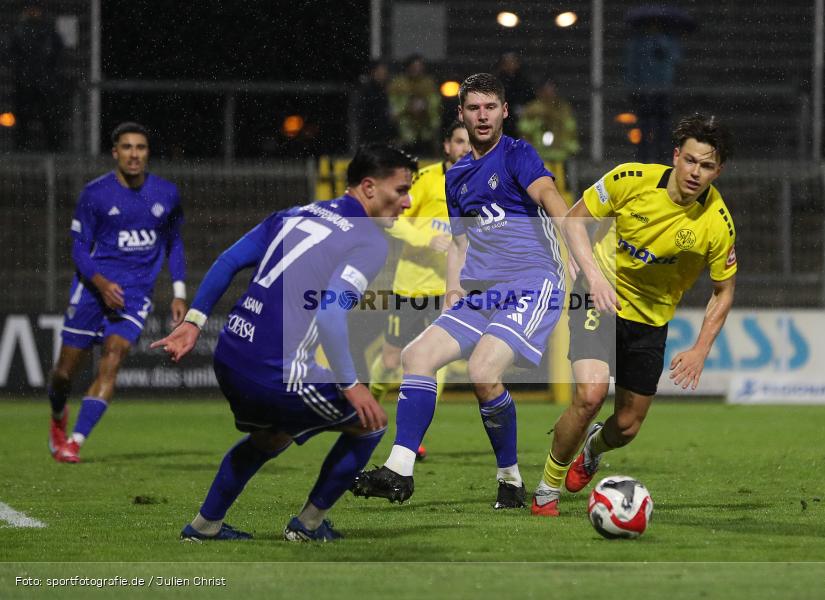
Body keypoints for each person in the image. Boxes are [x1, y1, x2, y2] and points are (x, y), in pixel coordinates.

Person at [151, 144, 416, 542]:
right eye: (400, 190)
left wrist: (194, 321)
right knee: (370, 423)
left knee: (270, 436)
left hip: (230, 355)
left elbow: (226, 261)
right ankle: (308, 526)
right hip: (275, 370)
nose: (408, 202)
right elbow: (329, 315)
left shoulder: (293, 214)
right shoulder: (369, 240)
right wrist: (351, 384)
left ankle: (204, 527)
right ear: (368, 187)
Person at [353, 73, 571, 509]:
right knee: (417, 356)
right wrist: (453, 291)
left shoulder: (517, 154)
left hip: (532, 282)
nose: (483, 115)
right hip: (480, 292)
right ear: (461, 114)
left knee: (483, 371)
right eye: (474, 108)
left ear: (505, 111)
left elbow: (551, 199)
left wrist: (586, 264)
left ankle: (509, 477)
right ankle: (399, 470)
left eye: (491, 106)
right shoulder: (458, 178)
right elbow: (461, 241)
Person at [531, 113, 738, 516]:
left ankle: (593, 447)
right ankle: (546, 490)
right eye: (691, 160)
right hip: (598, 295)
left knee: (625, 426)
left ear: (719, 171)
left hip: (651, 320)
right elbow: (575, 219)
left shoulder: (718, 224)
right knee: (590, 394)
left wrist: (700, 349)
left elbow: (723, 292)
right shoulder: (631, 179)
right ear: (676, 156)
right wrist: (592, 276)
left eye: (707, 166)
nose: (696, 172)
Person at [49, 122, 186, 463]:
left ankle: (75, 442)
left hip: (135, 294)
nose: (134, 154)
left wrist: (179, 292)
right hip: (92, 289)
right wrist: (101, 283)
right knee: (63, 375)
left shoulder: (166, 194)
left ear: (147, 152)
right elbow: (79, 249)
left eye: (140, 147)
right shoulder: (95, 194)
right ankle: (58, 416)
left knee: (114, 356)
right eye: (127, 147)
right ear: (115, 153)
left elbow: (175, 243)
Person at [368, 122, 471, 461]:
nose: (464, 148)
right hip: (411, 286)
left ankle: (413, 437)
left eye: (469, 143)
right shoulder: (425, 180)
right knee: (390, 360)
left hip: (448, 291)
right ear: (447, 145)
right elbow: (393, 221)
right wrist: (427, 238)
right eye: (458, 141)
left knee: (435, 364)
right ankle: (365, 412)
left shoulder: (478, 183)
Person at [10, 3, 65, 151]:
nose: (33, 13)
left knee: (49, 117)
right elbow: (10, 53)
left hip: (44, 81)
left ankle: (53, 148)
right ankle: (21, 148)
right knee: (23, 117)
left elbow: (58, 54)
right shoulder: (20, 32)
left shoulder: (48, 32)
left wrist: (51, 74)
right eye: (30, 10)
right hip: (26, 81)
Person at [625, 21, 682, 163]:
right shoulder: (638, 43)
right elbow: (632, 66)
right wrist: (633, 87)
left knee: (663, 129)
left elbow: (676, 59)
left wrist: (661, 44)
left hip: (663, 91)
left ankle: (663, 160)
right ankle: (643, 161)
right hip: (644, 92)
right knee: (644, 128)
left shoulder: (669, 41)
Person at [388, 54, 442, 156]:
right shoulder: (398, 84)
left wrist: (425, 109)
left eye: (419, 67)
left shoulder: (428, 84)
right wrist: (407, 108)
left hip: (425, 132)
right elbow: (393, 107)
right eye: (414, 67)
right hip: (403, 132)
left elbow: (435, 106)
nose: (417, 70)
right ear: (408, 67)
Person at [518, 77, 580, 163]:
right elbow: (524, 130)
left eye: (552, 90)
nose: (550, 93)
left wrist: (571, 147)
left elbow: (570, 128)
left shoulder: (563, 108)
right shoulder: (532, 109)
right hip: (539, 156)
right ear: (539, 92)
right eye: (546, 90)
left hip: (560, 156)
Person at [493, 52, 535, 139]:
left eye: (513, 62)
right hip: (504, 122)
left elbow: (531, 99)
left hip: (522, 123)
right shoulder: (497, 82)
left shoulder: (524, 82)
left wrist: (524, 108)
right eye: (507, 62)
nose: (510, 65)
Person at [357, 60, 399, 145]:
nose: (382, 75)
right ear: (373, 73)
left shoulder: (386, 90)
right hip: (372, 135)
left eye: (384, 73)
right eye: (379, 72)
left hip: (384, 135)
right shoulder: (368, 91)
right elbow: (366, 115)